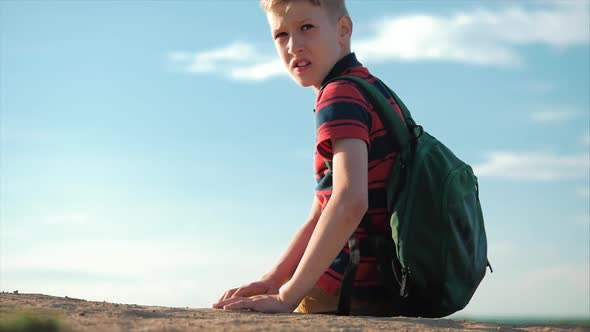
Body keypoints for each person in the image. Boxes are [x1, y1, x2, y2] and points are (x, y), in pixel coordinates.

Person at [212, 0, 405, 316]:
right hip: (390, 281)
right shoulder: (371, 88)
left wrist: (286, 295)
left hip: (348, 283)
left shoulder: (340, 95)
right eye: (281, 35)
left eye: (306, 28)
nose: (293, 46)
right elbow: (322, 211)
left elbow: (350, 201)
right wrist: (272, 279)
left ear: (343, 30)